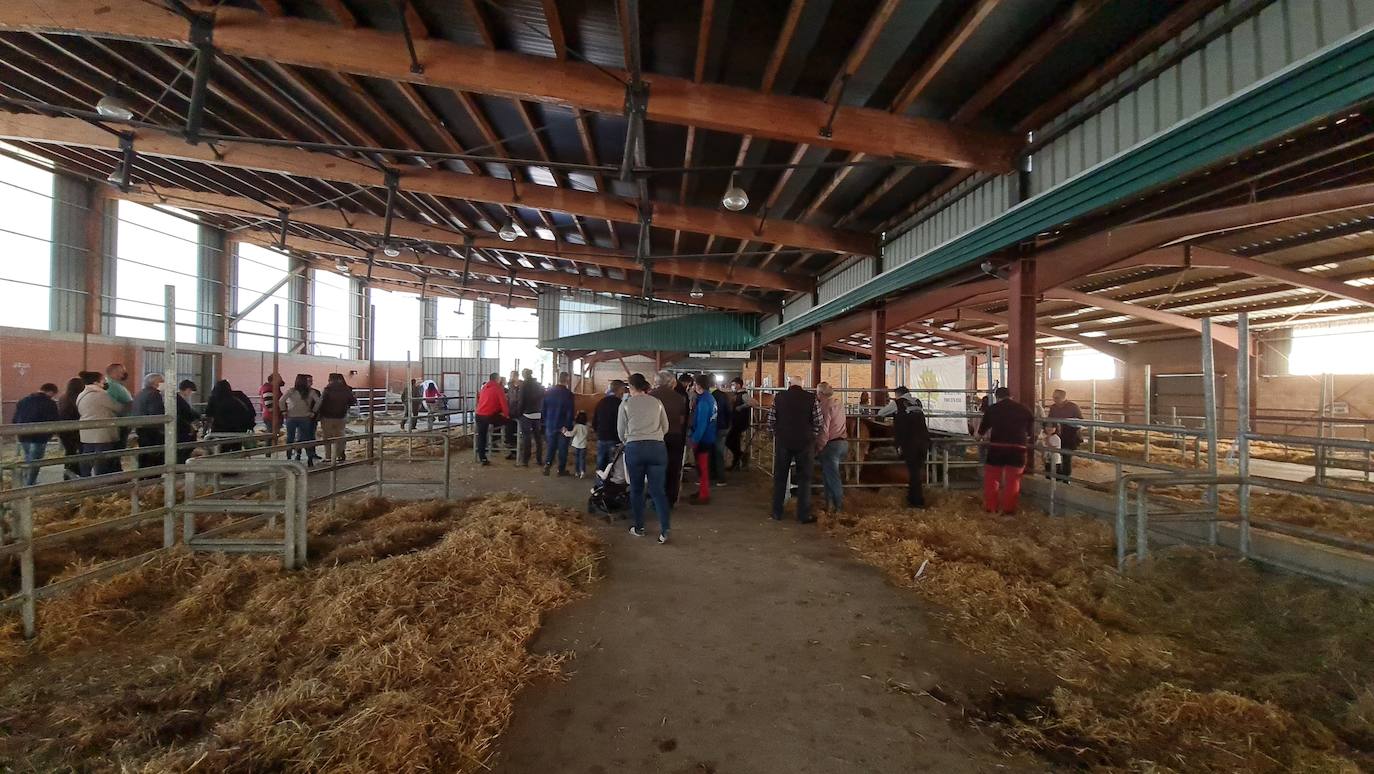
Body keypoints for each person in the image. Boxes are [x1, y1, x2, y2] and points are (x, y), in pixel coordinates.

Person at [618, 372, 671, 543]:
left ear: (631, 387)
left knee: (636, 490)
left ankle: (639, 527)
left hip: (635, 449)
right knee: (658, 491)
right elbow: (666, 427)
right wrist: (654, 436)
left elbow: (621, 432)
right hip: (657, 448)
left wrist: (630, 439)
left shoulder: (625, 404)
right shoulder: (657, 402)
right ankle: (664, 530)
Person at [767, 377, 823, 523]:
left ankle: (777, 512)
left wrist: (777, 434)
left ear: (789, 385)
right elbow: (818, 421)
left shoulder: (779, 397)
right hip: (805, 443)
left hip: (783, 442)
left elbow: (771, 420)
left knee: (780, 477)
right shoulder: (811, 398)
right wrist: (812, 436)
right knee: (804, 478)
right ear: (802, 385)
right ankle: (803, 515)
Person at [978, 387, 1035, 516]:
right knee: (1013, 480)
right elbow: (1030, 432)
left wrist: (979, 438)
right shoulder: (1024, 409)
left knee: (992, 478)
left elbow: (981, 432)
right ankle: (1008, 510)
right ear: (1011, 396)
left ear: (997, 397)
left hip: (997, 447)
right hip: (1018, 448)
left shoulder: (992, 409)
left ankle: (991, 508)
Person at [650, 370, 689, 506]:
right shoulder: (679, 398)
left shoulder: (650, 396)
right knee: (673, 467)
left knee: (655, 468)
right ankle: (670, 499)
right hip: (674, 435)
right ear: (671, 382)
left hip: (655, 436)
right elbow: (682, 420)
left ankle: (656, 499)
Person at [12, 383, 59, 486]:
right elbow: (54, 420)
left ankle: (26, 481)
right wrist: (51, 434)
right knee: (36, 460)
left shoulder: (24, 400)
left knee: (28, 457)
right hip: (39, 436)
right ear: (50, 392)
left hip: (23, 434)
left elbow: (15, 418)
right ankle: (30, 483)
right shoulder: (49, 403)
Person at [76, 370, 121, 476]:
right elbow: (118, 407)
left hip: (87, 431)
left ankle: (85, 478)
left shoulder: (82, 394)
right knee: (102, 459)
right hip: (101, 432)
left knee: (87, 457)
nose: (105, 382)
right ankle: (100, 481)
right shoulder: (101, 395)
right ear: (96, 382)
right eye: (103, 380)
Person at [890, 388, 930, 509]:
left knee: (914, 472)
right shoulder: (918, 402)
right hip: (923, 440)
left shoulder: (897, 403)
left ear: (898, 395)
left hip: (910, 442)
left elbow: (881, 412)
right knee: (916, 470)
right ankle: (913, 497)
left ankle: (917, 501)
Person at [814, 382, 848, 512]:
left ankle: (839, 507)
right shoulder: (838, 403)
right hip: (843, 442)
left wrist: (819, 447)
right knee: (828, 474)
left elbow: (824, 429)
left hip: (831, 444)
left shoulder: (824, 406)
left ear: (821, 394)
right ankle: (829, 505)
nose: (816, 395)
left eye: (817, 392)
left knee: (832, 476)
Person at [687, 374, 718, 505]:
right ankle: (702, 491)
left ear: (698, 385)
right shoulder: (709, 398)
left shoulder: (704, 400)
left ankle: (704, 495)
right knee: (702, 467)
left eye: (694, 383)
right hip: (709, 436)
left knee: (702, 467)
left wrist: (694, 440)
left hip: (703, 438)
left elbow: (702, 423)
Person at [204, 379, 256, 455]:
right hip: (240, 430)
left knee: (222, 450)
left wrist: (205, 431)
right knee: (236, 448)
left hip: (220, 431)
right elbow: (252, 412)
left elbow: (209, 416)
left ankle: (224, 462)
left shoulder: (214, 398)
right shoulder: (240, 396)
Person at [541, 371, 576, 476]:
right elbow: (570, 411)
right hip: (563, 425)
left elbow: (543, 409)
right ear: (567, 379)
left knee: (551, 446)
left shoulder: (548, 392)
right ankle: (561, 470)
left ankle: (547, 465)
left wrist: (546, 421)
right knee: (563, 448)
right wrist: (568, 425)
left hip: (550, 424)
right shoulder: (568, 394)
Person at [317, 373, 357, 463]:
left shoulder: (327, 389)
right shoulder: (346, 389)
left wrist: (316, 413)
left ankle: (328, 457)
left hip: (327, 416)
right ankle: (339, 455)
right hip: (341, 417)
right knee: (340, 436)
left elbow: (320, 402)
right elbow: (353, 401)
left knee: (327, 437)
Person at [283, 373, 321, 465]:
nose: (311, 383)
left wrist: (283, 411)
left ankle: (289, 457)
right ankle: (310, 459)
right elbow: (319, 401)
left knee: (290, 438)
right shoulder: (311, 392)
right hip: (305, 417)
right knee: (307, 438)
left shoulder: (291, 391)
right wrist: (313, 412)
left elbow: (281, 400)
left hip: (291, 417)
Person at [473, 372, 509, 466]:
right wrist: (506, 415)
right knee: (510, 423)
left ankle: (482, 458)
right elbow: (503, 403)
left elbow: (480, 399)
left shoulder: (484, 387)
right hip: (489, 415)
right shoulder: (498, 388)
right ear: (497, 379)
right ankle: (506, 443)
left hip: (479, 414)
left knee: (482, 436)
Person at [1047, 389, 1082, 479]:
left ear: (1063, 397)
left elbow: (1081, 421)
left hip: (1070, 434)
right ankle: (1057, 475)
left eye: (1057, 398)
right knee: (1055, 455)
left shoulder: (1073, 407)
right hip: (1057, 434)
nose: (1054, 399)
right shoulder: (1053, 407)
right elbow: (1049, 420)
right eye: (1053, 397)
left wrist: (1068, 422)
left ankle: (1066, 477)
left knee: (1066, 456)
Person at [593, 380, 625, 472]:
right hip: (614, 438)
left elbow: (595, 420)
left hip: (601, 437)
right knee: (612, 463)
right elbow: (623, 422)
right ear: (620, 390)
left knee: (600, 462)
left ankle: (599, 483)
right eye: (623, 390)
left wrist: (598, 432)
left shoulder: (601, 402)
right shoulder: (620, 404)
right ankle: (610, 484)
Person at [55, 378, 84, 479]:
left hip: (64, 430)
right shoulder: (78, 398)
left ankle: (69, 474)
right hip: (76, 430)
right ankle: (78, 474)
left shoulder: (63, 398)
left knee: (70, 452)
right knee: (80, 452)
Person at [517, 369, 545, 467]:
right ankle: (539, 459)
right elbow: (543, 396)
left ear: (524, 375)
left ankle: (525, 460)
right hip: (537, 413)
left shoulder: (524, 385)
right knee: (538, 437)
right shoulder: (538, 384)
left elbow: (521, 401)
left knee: (527, 437)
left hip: (526, 414)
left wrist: (518, 413)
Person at [105, 363, 133, 453]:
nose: (124, 374)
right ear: (115, 372)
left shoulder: (117, 385)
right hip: (119, 423)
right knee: (117, 450)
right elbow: (111, 405)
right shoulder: (112, 386)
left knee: (119, 449)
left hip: (122, 422)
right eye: (122, 372)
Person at [709, 375, 732, 487]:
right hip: (722, 427)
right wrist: (728, 426)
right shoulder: (723, 395)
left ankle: (714, 475)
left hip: (711, 428)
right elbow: (729, 411)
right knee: (719, 452)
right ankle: (720, 477)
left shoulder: (706, 396)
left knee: (712, 452)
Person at [726, 377, 752, 471]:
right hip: (736, 422)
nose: (732, 386)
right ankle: (736, 462)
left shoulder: (743, 395)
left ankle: (740, 456)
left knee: (729, 441)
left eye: (733, 384)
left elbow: (753, 403)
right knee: (734, 442)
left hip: (740, 422)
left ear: (738, 385)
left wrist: (740, 407)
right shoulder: (737, 395)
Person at [175, 380, 202, 464]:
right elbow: (184, 414)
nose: (191, 394)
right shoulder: (179, 400)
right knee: (183, 451)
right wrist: (192, 425)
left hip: (184, 429)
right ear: (187, 390)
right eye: (191, 392)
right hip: (183, 431)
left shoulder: (179, 399)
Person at [503, 370, 521, 459]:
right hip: (511, 410)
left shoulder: (521, 386)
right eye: (511, 376)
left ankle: (516, 451)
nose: (511, 377)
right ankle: (513, 451)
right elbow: (510, 398)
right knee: (511, 427)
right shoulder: (510, 386)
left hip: (518, 411)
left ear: (517, 376)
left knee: (515, 431)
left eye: (512, 376)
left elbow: (518, 399)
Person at [566, 411, 590, 478]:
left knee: (576, 459)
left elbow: (571, 434)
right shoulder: (587, 426)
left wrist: (565, 432)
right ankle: (582, 472)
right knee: (582, 459)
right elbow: (588, 435)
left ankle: (577, 472)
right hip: (584, 445)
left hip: (576, 445)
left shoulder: (576, 426)